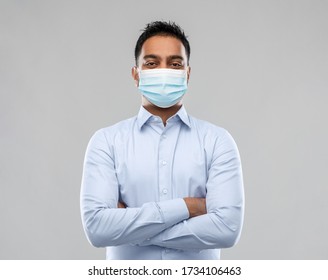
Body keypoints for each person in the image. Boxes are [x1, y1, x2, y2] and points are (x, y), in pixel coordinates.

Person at [80, 21, 244, 260]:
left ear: (187, 74)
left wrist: (131, 230)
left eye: (175, 64)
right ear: (136, 74)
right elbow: (97, 229)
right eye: (152, 63)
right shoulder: (106, 142)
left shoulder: (217, 141)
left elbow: (227, 230)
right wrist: (189, 206)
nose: (164, 71)